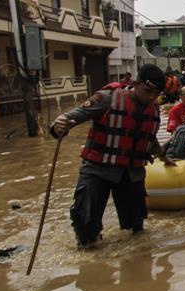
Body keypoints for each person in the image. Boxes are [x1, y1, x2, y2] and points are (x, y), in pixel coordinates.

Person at [50, 64, 176, 247]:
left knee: (136, 227)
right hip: (98, 169)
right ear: (136, 83)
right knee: (85, 223)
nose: (150, 97)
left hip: (131, 172)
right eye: (147, 91)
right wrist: (58, 126)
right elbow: (72, 117)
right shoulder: (108, 99)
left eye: (155, 94)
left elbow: (149, 139)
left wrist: (164, 157)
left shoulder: (153, 109)